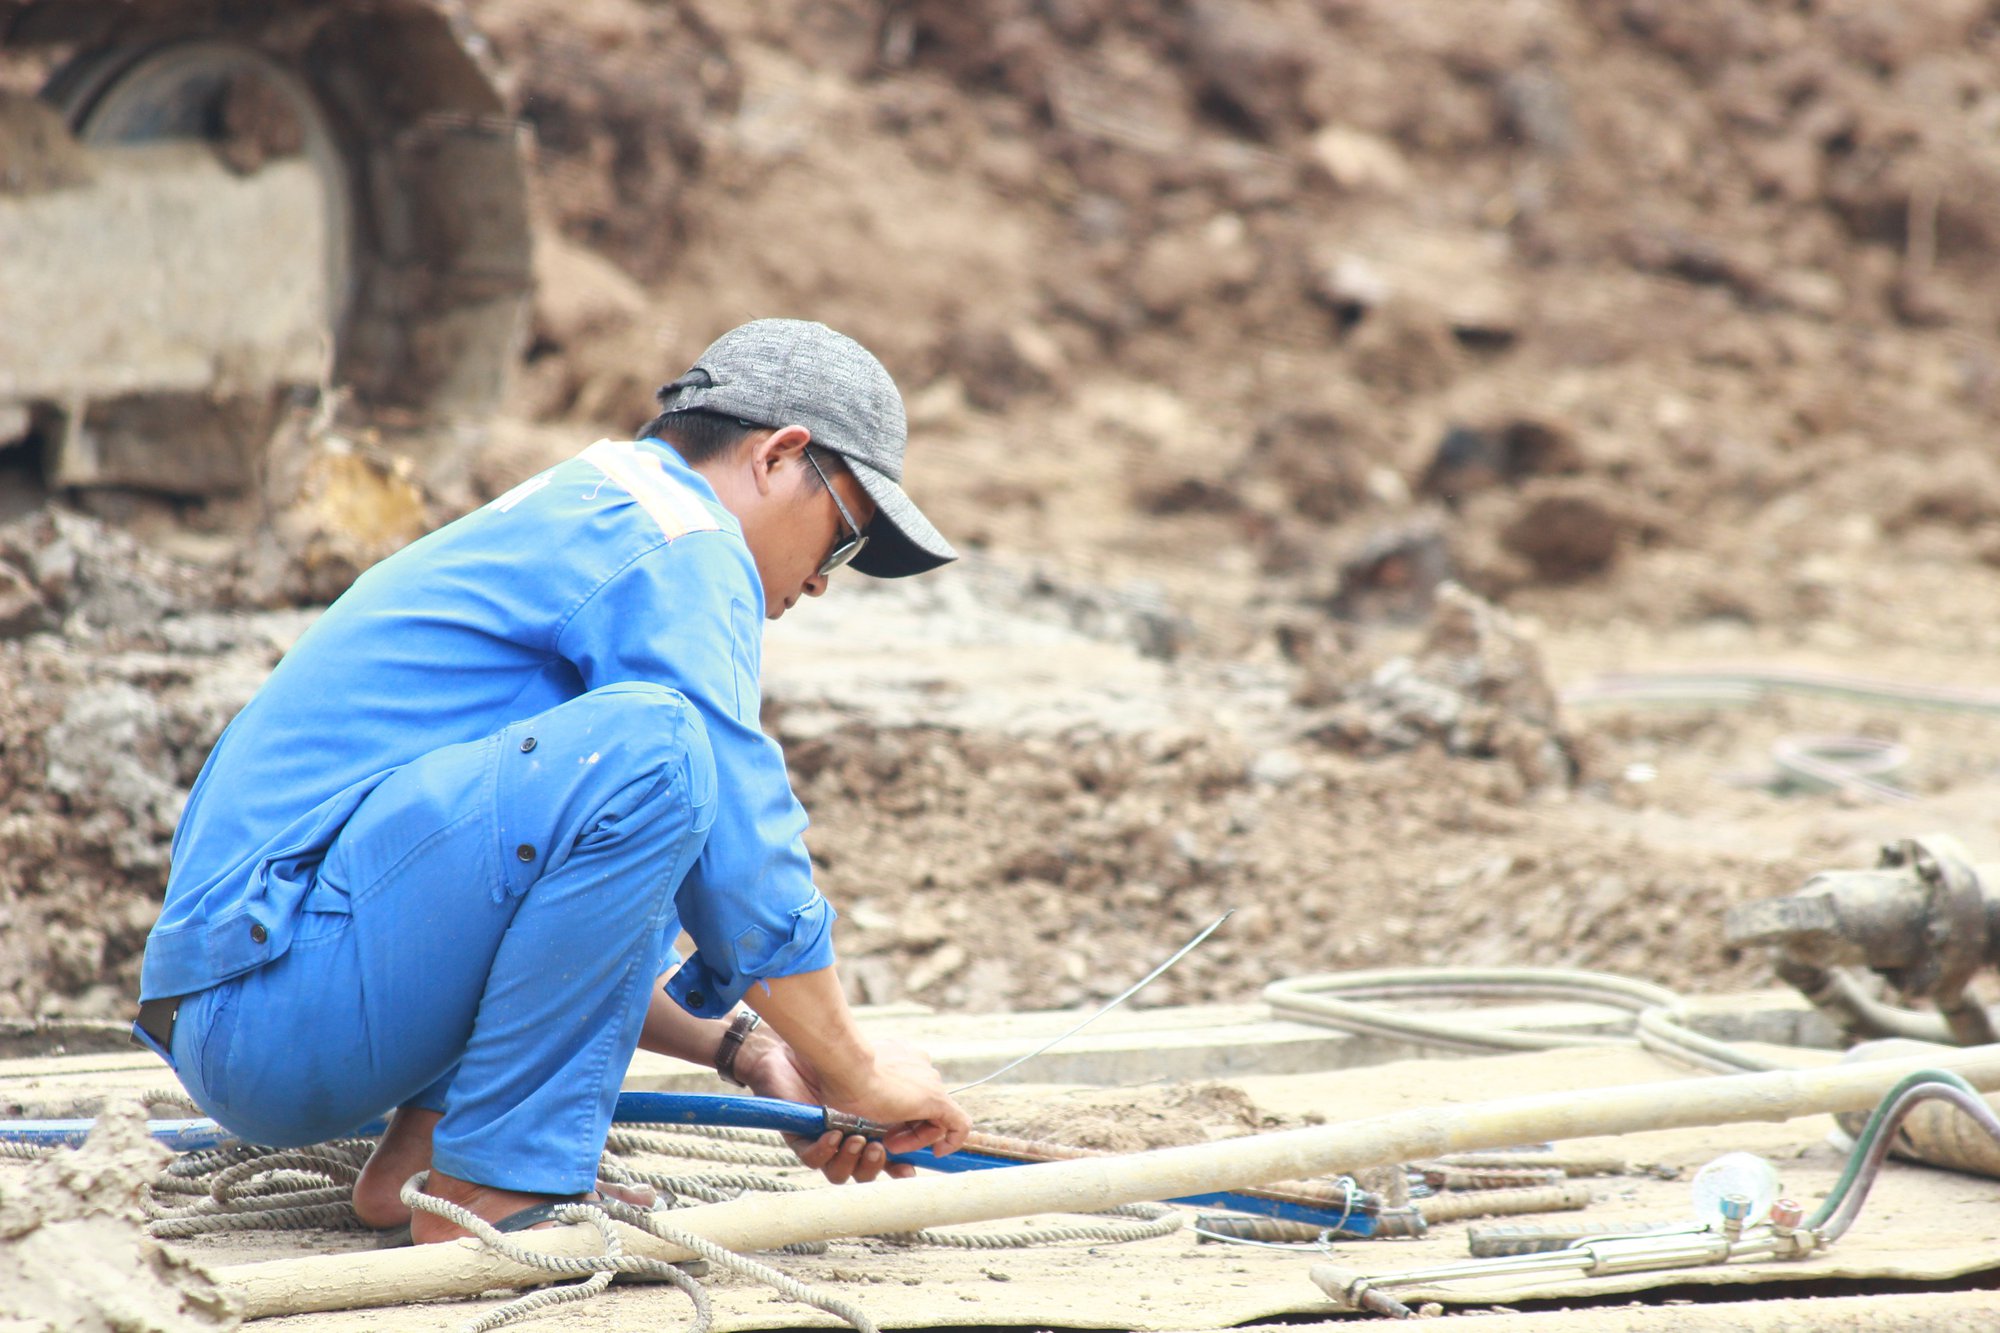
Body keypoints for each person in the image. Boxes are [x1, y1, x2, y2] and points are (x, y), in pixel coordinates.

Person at [133, 318, 972, 1243]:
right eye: (846, 539)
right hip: (274, 1002)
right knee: (665, 752)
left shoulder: (598, 511)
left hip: (264, 1004)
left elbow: (558, 929)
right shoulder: (680, 535)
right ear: (779, 456)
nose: (821, 582)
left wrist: (756, 1049)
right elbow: (742, 835)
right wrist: (854, 1064)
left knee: (653, 781)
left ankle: (434, 1155)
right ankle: (496, 1185)